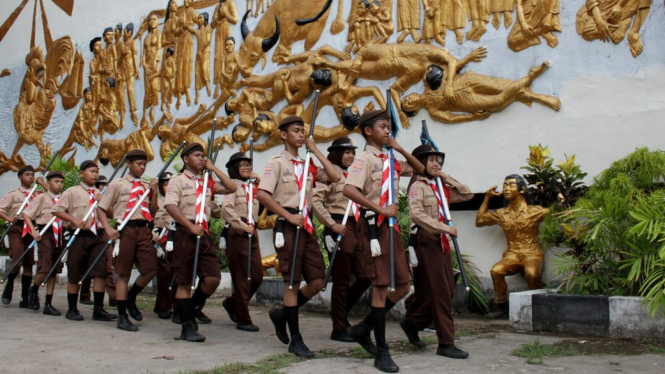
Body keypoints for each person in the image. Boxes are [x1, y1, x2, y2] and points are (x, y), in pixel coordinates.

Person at [342, 110, 424, 373]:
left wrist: (398, 147)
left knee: (401, 286)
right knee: (379, 288)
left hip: (392, 229)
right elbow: (349, 189)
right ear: (368, 131)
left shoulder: (390, 157)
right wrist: (378, 209)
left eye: (389, 127)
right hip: (374, 229)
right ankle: (382, 352)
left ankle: (363, 328)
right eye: (382, 126)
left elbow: (421, 170)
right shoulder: (364, 159)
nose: (388, 131)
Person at [257, 116, 341, 358]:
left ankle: (281, 314)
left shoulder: (307, 164)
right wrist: (286, 214)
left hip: (306, 226)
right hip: (287, 224)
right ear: (284, 135)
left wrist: (315, 150)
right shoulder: (276, 163)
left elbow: (336, 178)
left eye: (303, 131)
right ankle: (296, 340)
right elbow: (263, 194)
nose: (301, 135)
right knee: (291, 282)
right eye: (296, 131)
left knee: (317, 281)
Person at [401, 144, 473, 358]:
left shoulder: (440, 187)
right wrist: (444, 228)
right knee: (441, 293)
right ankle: (446, 343)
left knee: (448, 290)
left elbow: (467, 194)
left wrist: (444, 175)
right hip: (428, 240)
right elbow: (417, 215)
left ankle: (413, 322)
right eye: (431, 160)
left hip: (441, 241)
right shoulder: (418, 187)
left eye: (438, 160)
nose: (436, 164)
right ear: (420, 162)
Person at [164, 143, 237, 342]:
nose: (201, 158)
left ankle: (192, 307)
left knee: (213, 278)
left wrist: (213, 169)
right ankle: (186, 327)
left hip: (202, 234)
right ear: (186, 159)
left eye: (203, 155)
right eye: (196, 155)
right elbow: (170, 205)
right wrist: (189, 225)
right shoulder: (178, 181)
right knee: (185, 282)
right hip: (184, 233)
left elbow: (232, 187)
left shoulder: (207, 182)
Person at [312, 137, 372, 342]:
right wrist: (330, 225)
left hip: (356, 226)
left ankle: (339, 312)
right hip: (338, 225)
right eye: (347, 152)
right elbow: (315, 201)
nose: (351, 156)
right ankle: (338, 328)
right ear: (337, 154)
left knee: (366, 275)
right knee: (342, 279)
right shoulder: (329, 175)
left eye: (353, 153)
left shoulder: (354, 176)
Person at [98, 150, 160, 331]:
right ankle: (122, 316)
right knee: (123, 274)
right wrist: (108, 228)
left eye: (144, 164)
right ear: (128, 164)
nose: (142, 167)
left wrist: (154, 192)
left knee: (150, 269)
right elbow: (100, 208)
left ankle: (131, 296)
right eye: (138, 164)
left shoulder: (146, 186)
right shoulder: (117, 185)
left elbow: (154, 212)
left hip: (144, 230)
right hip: (125, 230)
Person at [476, 174, 549, 318]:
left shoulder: (534, 211)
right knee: (496, 270)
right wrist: (487, 197)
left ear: (522, 190)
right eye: (505, 185)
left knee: (532, 273)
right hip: (512, 254)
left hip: (532, 252)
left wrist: (557, 195)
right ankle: (500, 305)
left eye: (511, 185)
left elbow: (560, 213)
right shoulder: (501, 214)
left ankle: (538, 304)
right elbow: (479, 221)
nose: (506, 188)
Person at [52, 160, 117, 322]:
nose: (95, 174)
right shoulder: (72, 192)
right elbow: (57, 210)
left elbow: (111, 214)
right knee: (75, 271)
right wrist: (73, 220)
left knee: (101, 272)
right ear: (81, 173)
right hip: (79, 235)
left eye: (96, 171)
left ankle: (98, 309)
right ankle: (72, 309)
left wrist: (102, 200)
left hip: (99, 236)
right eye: (91, 171)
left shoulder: (100, 193)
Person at [221, 152, 262, 332]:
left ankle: (232, 303)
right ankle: (243, 319)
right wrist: (241, 225)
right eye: (242, 165)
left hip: (252, 232)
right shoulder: (232, 188)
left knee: (257, 276)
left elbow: (271, 189)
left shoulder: (252, 187)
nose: (246, 167)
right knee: (242, 277)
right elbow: (227, 209)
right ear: (234, 169)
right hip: (238, 232)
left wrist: (257, 177)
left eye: (248, 164)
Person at [22, 171, 67, 315]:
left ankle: (48, 303)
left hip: (59, 234)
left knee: (54, 269)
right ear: (48, 183)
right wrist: (33, 231)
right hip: (46, 234)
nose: (59, 184)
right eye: (56, 182)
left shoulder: (64, 199)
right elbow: (26, 214)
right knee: (45, 268)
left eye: (61, 182)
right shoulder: (41, 198)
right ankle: (33, 289)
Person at [0, 165, 41, 307]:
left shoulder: (37, 194)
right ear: (20, 177)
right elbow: (1, 208)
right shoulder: (13, 194)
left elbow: (54, 199)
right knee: (18, 260)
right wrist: (9, 218)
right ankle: (9, 284)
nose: (30, 177)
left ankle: (24, 297)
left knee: (29, 262)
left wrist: (43, 184)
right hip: (17, 228)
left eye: (32, 175)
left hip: (31, 228)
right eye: (27, 174)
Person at [153, 172, 175, 320]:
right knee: (164, 274)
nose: (168, 187)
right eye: (165, 184)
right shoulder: (158, 201)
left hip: (174, 238)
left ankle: (170, 304)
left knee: (173, 273)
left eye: (170, 184)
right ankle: (163, 306)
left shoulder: (178, 201)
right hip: (159, 239)